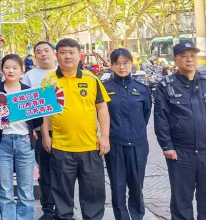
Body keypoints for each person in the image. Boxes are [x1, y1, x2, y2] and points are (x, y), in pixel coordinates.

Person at [41, 38, 110, 220]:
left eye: (71, 52)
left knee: (93, 193)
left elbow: (102, 109)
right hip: (61, 147)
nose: (67, 56)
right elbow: (44, 112)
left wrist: (105, 136)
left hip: (90, 146)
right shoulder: (49, 81)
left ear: (79, 55)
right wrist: (46, 136)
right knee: (62, 194)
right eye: (63, 52)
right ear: (57, 55)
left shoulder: (91, 79)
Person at [154, 41, 206, 220]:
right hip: (181, 152)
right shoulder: (166, 85)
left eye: (192, 56)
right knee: (181, 200)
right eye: (184, 56)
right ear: (175, 60)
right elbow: (160, 117)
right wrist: (166, 145)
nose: (189, 60)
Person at [0, 54, 41, 220]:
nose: (11, 71)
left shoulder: (28, 91)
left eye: (15, 68)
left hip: (24, 141)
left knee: (26, 188)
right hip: (2, 143)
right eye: (7, 67)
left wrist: (32, 129)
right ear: (2, 70)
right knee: (5, 189)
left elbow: (37, 118)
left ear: (21, 70)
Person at [103, 48, 151, 220]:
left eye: (126, 63)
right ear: (112, 65)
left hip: (138, 145)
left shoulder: (142, 88)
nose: (122, 67)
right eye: (118, 63)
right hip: (115, 145)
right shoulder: (105, 88)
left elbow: (146, 114)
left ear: (132, 63)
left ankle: (137, 216)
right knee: (118, 186)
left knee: (137, 186)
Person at [23, 41, 57, 220]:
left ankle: (63, 210)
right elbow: (23, 105)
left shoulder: (64, 73)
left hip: (65, 132)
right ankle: (48, 210)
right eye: (39, 52)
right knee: (45, 173)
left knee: (64, 173)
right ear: (34, 56)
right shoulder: (29, 77)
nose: (43, 54)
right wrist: (31, 129)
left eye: (46, 50)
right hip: (39, 132)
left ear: (54, 53)